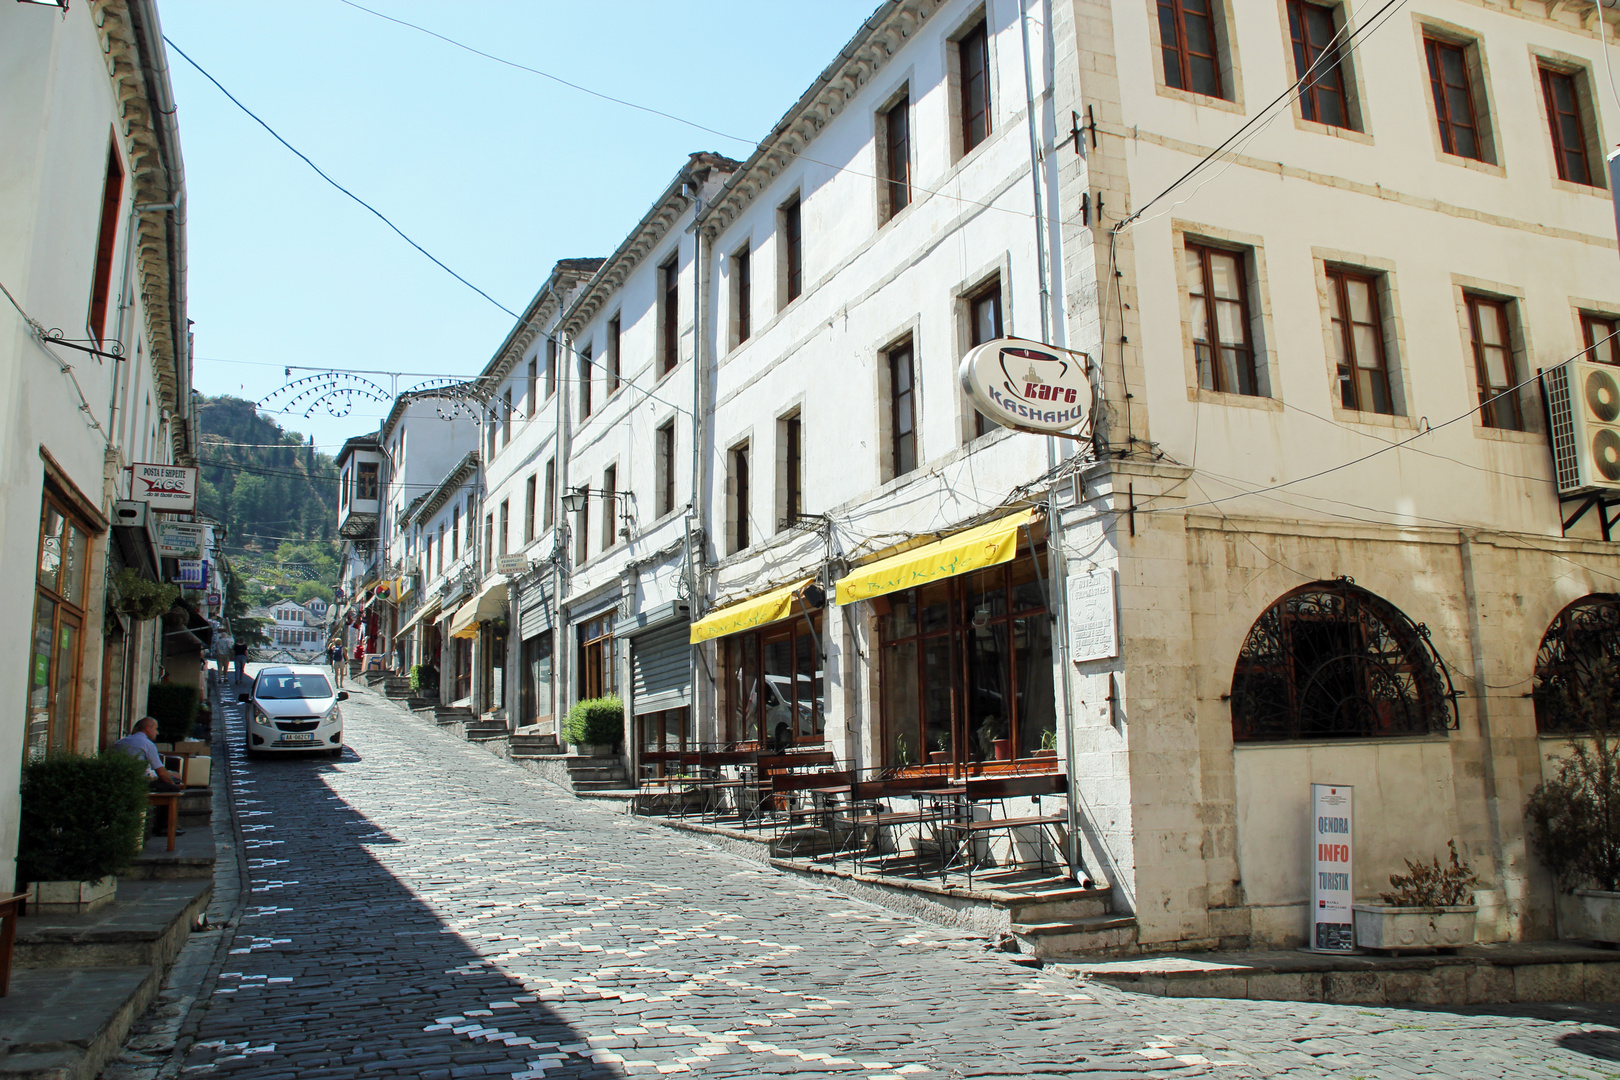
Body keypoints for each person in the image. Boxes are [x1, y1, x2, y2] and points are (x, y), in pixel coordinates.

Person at [112, 717, 183, 835]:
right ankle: (165, 827)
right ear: (147, 728)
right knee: (173, 789)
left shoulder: (119, 743)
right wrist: (171, 783)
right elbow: (161, 772)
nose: (157, 733)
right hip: (141, 783)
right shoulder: (147, 744)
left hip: (121, 781)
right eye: (155, 729)